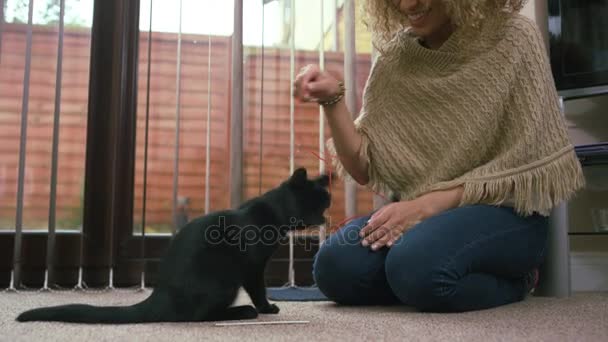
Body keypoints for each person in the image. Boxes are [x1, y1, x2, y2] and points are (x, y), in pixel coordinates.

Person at [292, 0, 585, 313]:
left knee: (417, 266)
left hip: (506, 214)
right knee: (335, 268)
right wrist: (333, 100)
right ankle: (419, 279)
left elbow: (525, 161)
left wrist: (424, 206)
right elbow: (364, 167)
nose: (407, 4)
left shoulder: (513, 36)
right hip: (423, 221)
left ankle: (520, 281)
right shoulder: (397, 57)